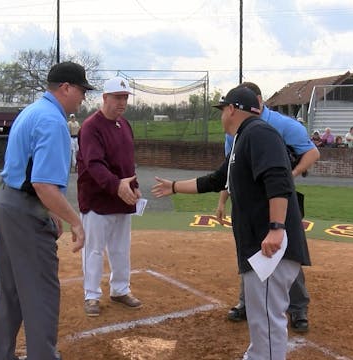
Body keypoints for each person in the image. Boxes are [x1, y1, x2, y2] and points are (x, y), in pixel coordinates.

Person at [152, 86, 310, 360]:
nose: (221, 116)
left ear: (233, 109)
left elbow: (278, 181)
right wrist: (175, 186)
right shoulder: (243, 139)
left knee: (268, 319)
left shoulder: (259, 133)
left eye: (223, 109)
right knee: (260, 315)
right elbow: (215, 180)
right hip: (258, 245)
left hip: (269, 246)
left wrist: (276, 228)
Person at [0, 61, 92, 360]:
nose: (83, 97)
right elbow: (44, 184)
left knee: (12, 291)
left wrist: (52, 212)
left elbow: (35, 178)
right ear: (66, 88)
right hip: (25, 211)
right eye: (81, 90)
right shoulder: (53, 121)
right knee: (41, 294)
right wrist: (76, 221)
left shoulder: (32, 111)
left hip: (8, 204)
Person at [218, 82, 319, 334]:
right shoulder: (235, 130)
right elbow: (229, 169)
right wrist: (222, 200)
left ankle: (297, 308)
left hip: (278, 199)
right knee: (251, 251)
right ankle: (246, 302)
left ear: (259, 100)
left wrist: (288, 175)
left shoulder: (282, 124)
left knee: (284, 252)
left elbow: (312, 153)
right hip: (250, 201)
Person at [77, 77, 142, 317]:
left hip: (121, 198)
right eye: (117, 97)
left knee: (120, 248)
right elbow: (94, 164)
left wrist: (133, 186)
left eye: (125, 97)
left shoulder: (124, 124)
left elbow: (127, 162)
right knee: (93, 249)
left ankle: (120, 289)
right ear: (105, 98)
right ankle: (91, 295)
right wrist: (117, 186)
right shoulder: (91, 126)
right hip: (97, 199)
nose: (122, 102)